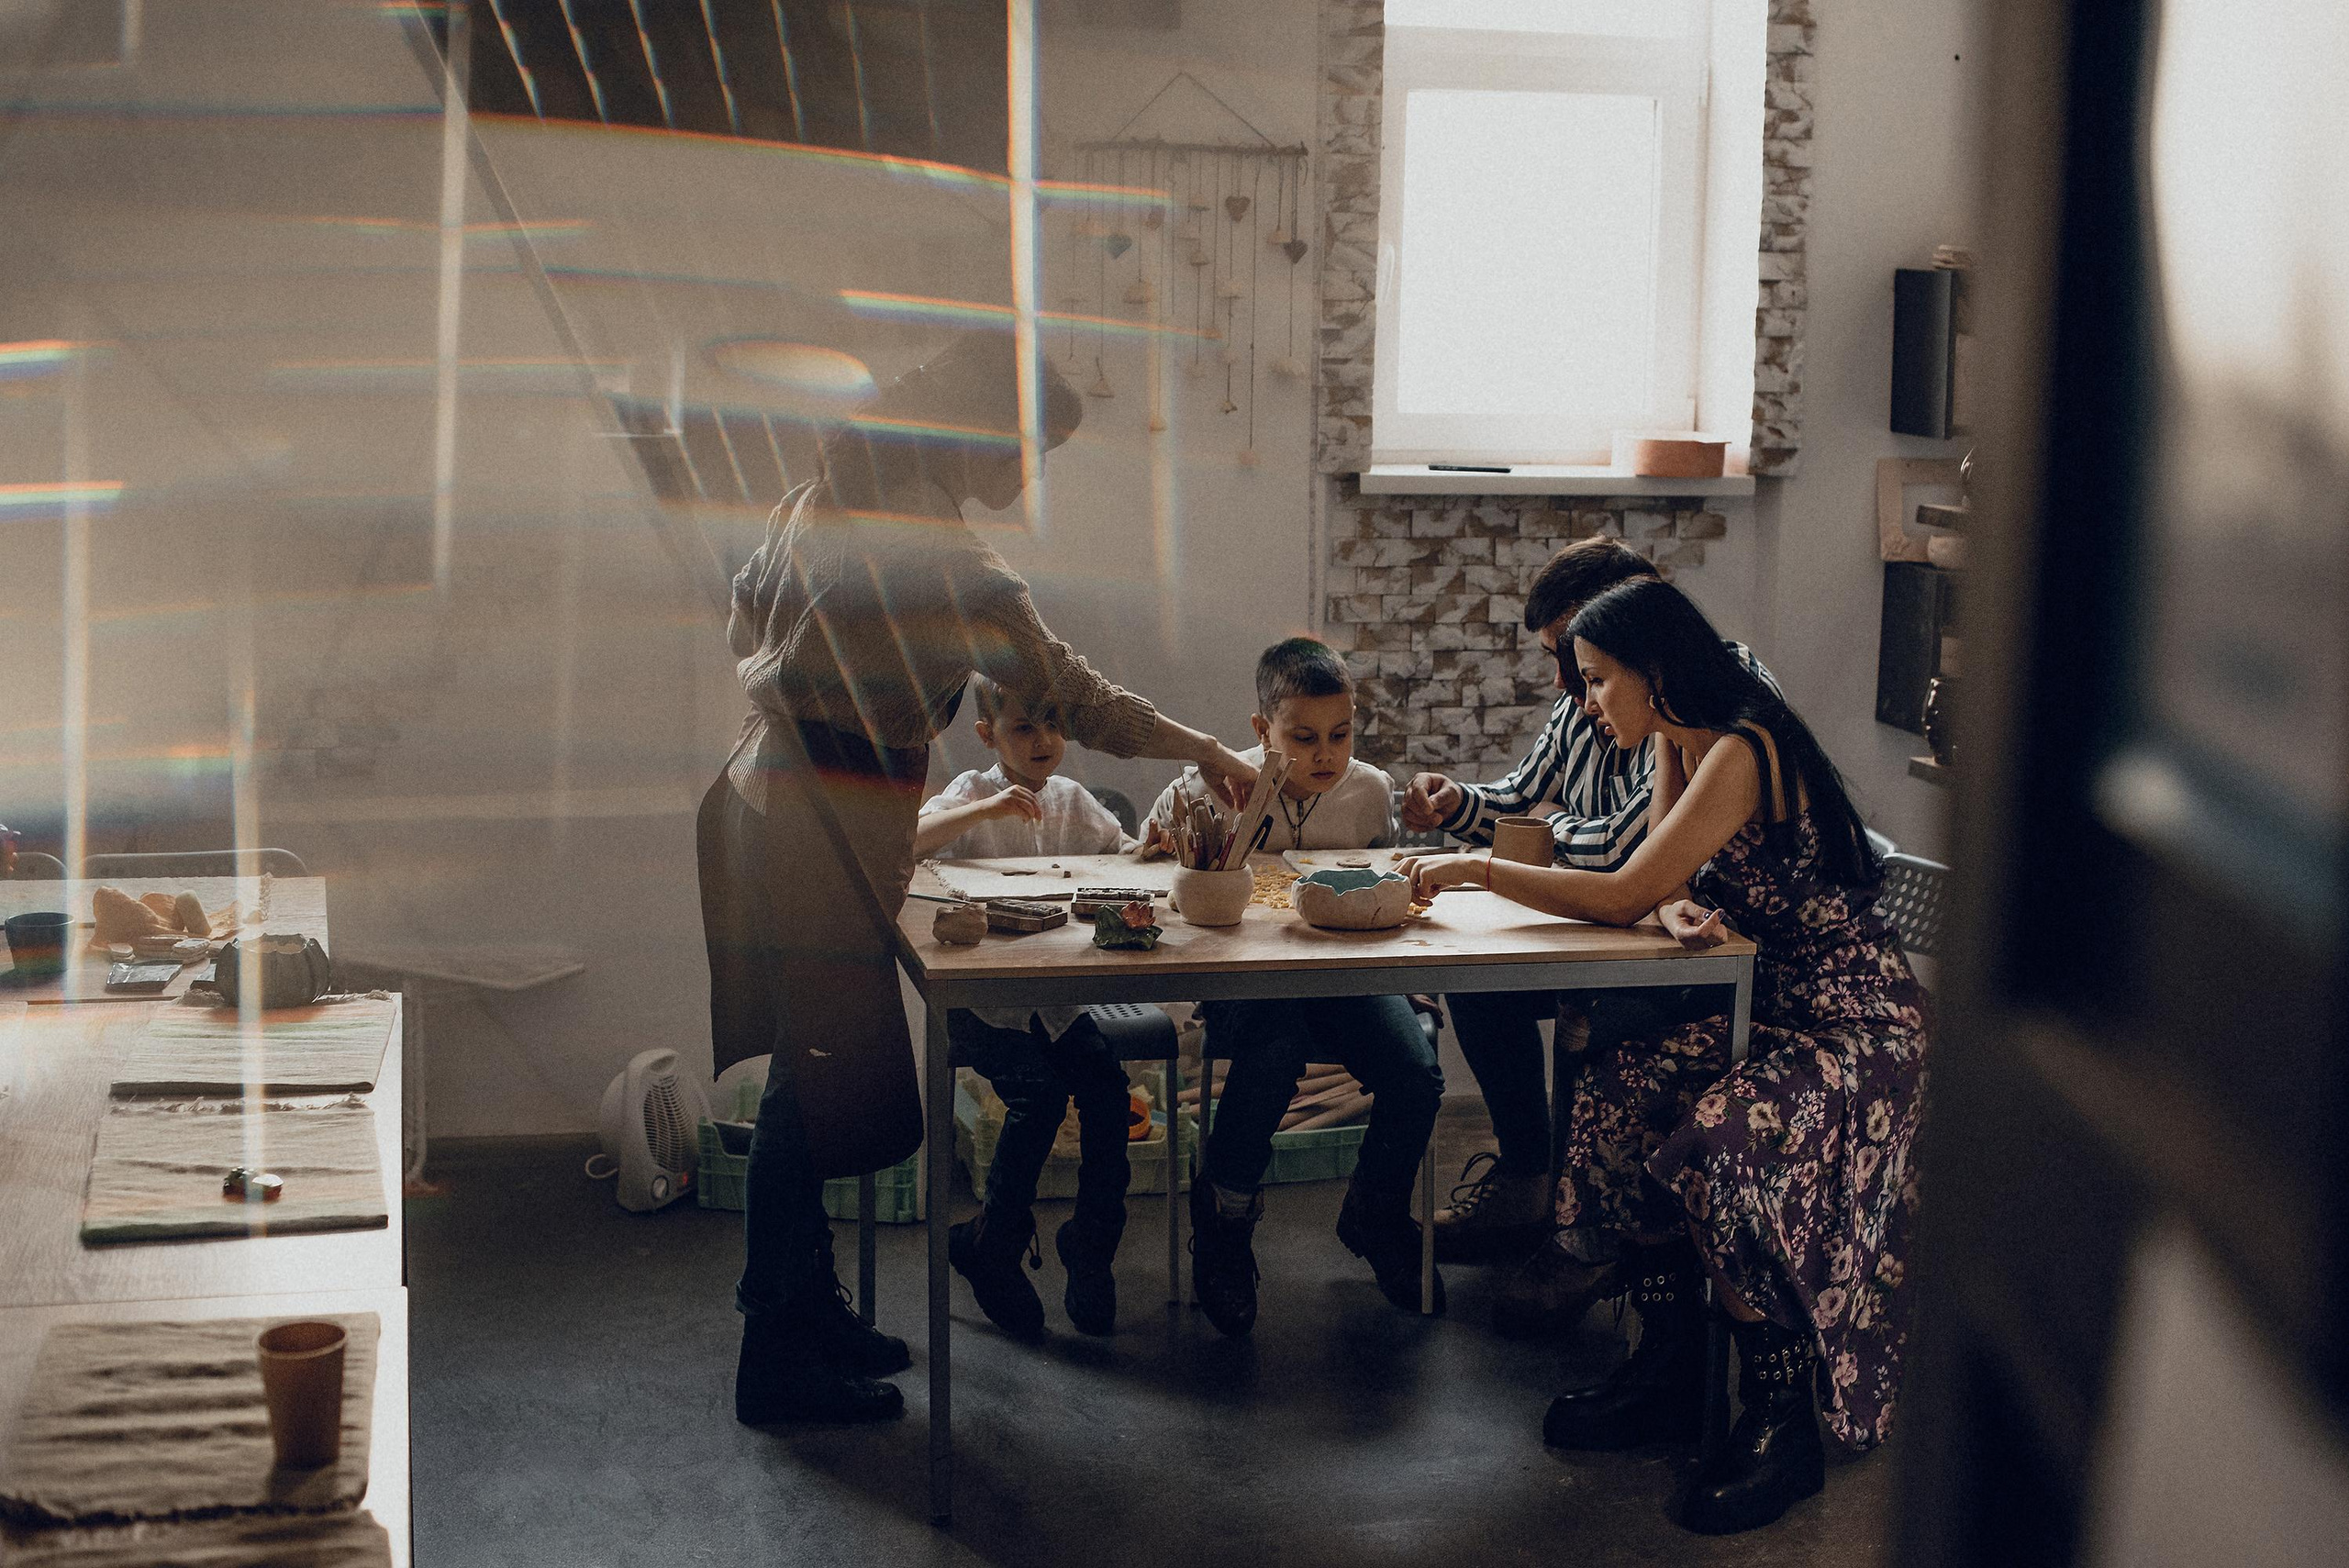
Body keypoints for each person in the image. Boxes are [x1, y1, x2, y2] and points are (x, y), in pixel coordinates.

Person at [702, 332, 1256, 1427]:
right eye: (1034, 448)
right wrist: (1206, 747)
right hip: (823, 815)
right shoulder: (947, 557)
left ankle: (807, 1308)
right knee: (810, 1091)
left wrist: (807, 685)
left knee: (802, 1079)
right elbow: (1067, 693)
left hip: (761, 797)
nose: (1030, 473)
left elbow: (738, 620)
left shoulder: (818, 495)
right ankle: (776, 1349)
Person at [1398, 577, 1928, 1536]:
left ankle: (1779, 1420)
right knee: (1617, 1084)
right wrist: (1671, 903)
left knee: (1720, 1137)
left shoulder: (1740, 746)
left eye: (1598, 680)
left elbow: (1616, 888)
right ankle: (1669, 1371)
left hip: (1857, 1028)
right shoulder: (1677, 748)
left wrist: (1475, 865)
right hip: (1769, 1008)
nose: (1589, 703)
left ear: (1652, 671)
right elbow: (1653, 887)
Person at [1398, 539, 1777, 1341]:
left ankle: (1587, 1238)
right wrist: (1458, 802)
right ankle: (1534, 1188)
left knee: (1599, 1020)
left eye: (1587, 667)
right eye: (1566, 663)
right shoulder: (1610, 700)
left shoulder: (1715, 702)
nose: (1570, 687)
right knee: (1479, 981)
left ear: (1640, 628)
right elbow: (1527, 802)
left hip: (1710, 956)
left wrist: (1494, 859)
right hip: (1650, 922)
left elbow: (1628, 861)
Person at [1144, 637, 1446, 1332]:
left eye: (1340, 734)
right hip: (1249, 979)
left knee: (1415, 1072)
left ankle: (1375, 1211)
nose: (1324, 754)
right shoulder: (1208, 788)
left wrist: (1412, 975)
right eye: (1302, 737)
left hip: (1345, 976)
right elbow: (1154, 875)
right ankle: (1224, 1221)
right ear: (1261, 730)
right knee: (1273, 1056)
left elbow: (1390, 889)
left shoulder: (1370, 792)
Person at [917, 673, 1137, 1340]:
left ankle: (1090, 1247)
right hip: (982, 1006)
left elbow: (1124, 854)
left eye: (1053, 723)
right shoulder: (972, 794)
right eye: (1023, 727)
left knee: (1107, 1091)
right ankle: (996, 1244)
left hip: (1056, 1004)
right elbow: (916, 835)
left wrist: (1155, 847)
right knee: (1037, 1097)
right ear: (988, 735)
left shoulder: (1073, 800)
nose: (1043, 740)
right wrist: (986, 811)